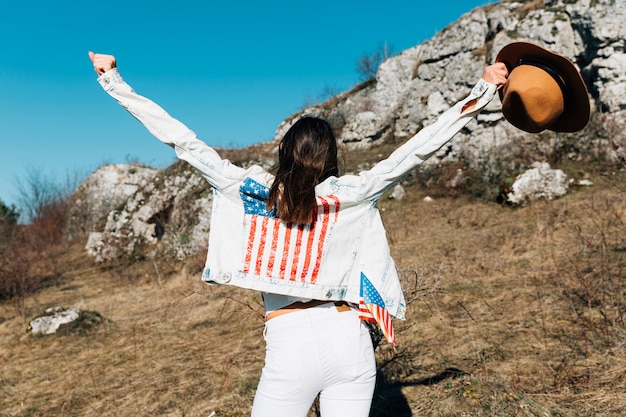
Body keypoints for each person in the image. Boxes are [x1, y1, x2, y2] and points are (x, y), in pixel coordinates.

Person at [89, 51, 508, 417]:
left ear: (284, 152)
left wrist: (113, 81)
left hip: (291, 342)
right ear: (331, 157)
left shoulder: (251, 191)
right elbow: (417, 148)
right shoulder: (352, 194)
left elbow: (183, 141)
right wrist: (483, 90)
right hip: (351, 339)